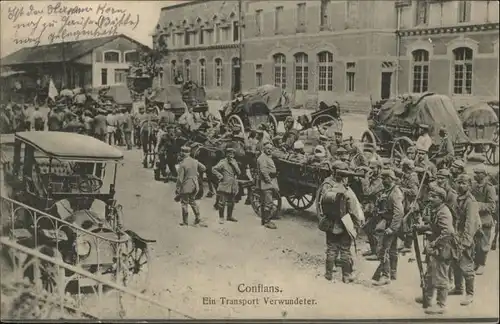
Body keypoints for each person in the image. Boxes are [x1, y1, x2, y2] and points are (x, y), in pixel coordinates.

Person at [316, 160, 365, 283]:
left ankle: (328, 274)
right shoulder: (346, 190)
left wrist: (322, 218)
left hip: (330, 222)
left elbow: (319, 202)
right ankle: (346, 276)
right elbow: (354, 210)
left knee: (331, 248)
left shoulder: (326, 185)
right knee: (345, 250)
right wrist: (357, 225)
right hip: (344, 223)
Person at [414, 184, 456, 314]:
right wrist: (422, 228)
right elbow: (434, 227)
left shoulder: (443, 212)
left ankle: (441, 304)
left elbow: (448, 232)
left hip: (443, 247)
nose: (430, 198)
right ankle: (427, 297)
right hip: (436, 246)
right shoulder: (436, 209)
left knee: (441, 276)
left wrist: (434, 244)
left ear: (441, 199)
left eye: (434, 196)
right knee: (430, 273)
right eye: (430, 196)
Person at [449, 174, 481, 306]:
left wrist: (465, 242)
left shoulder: (470, 201)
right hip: (458, 233)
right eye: (459, 182)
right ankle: (458, 288)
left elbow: (471, 223)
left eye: (463, 183)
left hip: (468, 235)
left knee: (466, 263)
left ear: (469, 185)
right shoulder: (458, 198)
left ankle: (469, 294)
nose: (460, 185)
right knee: (455, 261)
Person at [372, 169, 404, 285]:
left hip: (390, 224)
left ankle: (386, 276)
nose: (382, 180)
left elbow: (399, 212)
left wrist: (392, 228)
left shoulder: (395, 193)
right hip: (388, 222)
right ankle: (393, 273)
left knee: (383, 250)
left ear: (390, 179)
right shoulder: (388, 190)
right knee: (393, 250)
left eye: (384, 178)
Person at [471, 164, 497, 275]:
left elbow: (492, 206)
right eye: (475, 173)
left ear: (483, 175)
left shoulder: (489, 188)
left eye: (477, 173)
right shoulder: (473, 186)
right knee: (474, 243)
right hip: (474, 219)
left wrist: (477, 205)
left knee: (483, 244)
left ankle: (481, 264)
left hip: (485, 219)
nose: (475, 175)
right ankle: (475, 262)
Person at [176, 146, 207, 227]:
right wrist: (195, 173)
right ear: (189, 153)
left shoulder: (182, 164)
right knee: (192, 202)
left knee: (184, 203)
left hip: (186, 185)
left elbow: (180, 179)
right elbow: (204, 168)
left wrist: (178, 188)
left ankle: (185, 222)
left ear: (182, 153)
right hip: (195, 184)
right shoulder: (195, 161)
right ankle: (198, 218)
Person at [361, 159, 385, 259]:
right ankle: (374, 250)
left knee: (373, 230)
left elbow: (367, 192)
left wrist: (365, 179)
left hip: (380, 209)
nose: (370, 170)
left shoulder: (379, 180)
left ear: (379, 169)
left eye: (373, 168)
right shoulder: (374, 178)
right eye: (369, 167)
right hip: (373, 207)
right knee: (368, 229)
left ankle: (377, 253)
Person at [212, 147, 241, 224]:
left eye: (232, 154)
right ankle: (221, 218)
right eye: (229, 154)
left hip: (232, 185)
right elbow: (214, 169)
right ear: (226, 154)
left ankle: (229, 216)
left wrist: (234, 165)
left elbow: (239, 173)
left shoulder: (234, 162)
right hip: (224, 184)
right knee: (222, 202)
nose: (230, 156)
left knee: (231, 202)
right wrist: (219, 175)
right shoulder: (222, 162)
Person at [397, 158, 420, 254]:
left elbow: (414, 192)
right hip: (405, 202)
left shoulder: (412, 178)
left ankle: (408, 245)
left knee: (409, 224)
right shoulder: (405, 176)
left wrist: (402, 189)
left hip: (411, 203)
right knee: (404, 224)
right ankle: (405, 242)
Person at [257, 142, 278, 229]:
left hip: (268, 181)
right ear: (264, 149)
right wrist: (269, 181)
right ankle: (267, 221)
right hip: (266, 183)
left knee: (265, 202)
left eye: (271, 149)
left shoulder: (267, 157)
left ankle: (264, 220)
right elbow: (264, 171)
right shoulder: (262, 158)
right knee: (268, 202)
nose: (269, 150)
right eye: (267, 148)